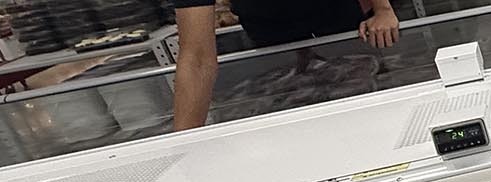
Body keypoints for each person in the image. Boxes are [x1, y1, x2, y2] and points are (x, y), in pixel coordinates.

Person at [171, 0, 399, 130]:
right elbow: (196, 58)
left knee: (374, 119)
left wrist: (383, 10)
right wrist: (183, 144)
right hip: (274, 46)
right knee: (300, 127)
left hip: (343, 31)